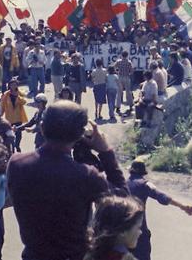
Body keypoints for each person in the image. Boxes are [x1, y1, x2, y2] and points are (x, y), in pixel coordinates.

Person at [8, 100, 127, 260]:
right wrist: (106, 152)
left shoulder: (16, 164)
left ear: (42, 128)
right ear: (79, 135)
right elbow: (124, 202)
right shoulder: (85, 176)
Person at [127, 159, 191, 260]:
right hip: (139, 230)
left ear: (130, 171)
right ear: (143, 172)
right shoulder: (145, 184)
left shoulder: (122, 183)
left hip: (121, 231)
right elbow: (163, 198)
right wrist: (182, 206)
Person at [84, 196, 144, 260]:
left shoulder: (89, 255)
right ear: (123, 231)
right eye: (138, 227)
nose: (140, 232)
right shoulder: (126, 258)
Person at [0, 79, 27, 152]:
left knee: (19, 135)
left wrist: (18, 96)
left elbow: (24, 102)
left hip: (18, 118)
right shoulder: (6, 94)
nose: (13, 86)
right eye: (12, 85)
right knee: (10, 135)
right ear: (9, 86)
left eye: (15, 84)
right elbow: (2, 106)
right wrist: (0, 116)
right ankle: (12, 147)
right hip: (9, 119)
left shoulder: (20, 93)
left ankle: (17, 145)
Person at [114, 51, 134, 115]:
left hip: (120, 77)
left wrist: (117, 72)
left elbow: (114, 67)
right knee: (128, 92)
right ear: (127, 55)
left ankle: (118, 106)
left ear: (121, 55)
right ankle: (130, 105)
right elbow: (132, 70)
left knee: (119, 92)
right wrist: (129, 73)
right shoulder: (129, 62)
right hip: (126, 77)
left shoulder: (118, 61)